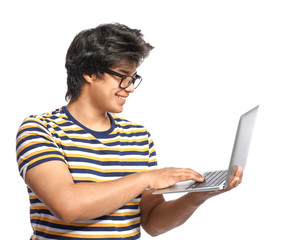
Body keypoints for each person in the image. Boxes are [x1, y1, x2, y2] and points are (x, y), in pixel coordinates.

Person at [16, 23, 243, 240]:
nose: (131, 87)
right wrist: (147, 178)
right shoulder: (40, 129)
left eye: (133, 78)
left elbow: (152, 222)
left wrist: (197, 196)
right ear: (90, 73)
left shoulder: (138, 137)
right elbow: (68, 206)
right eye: (123, 76)